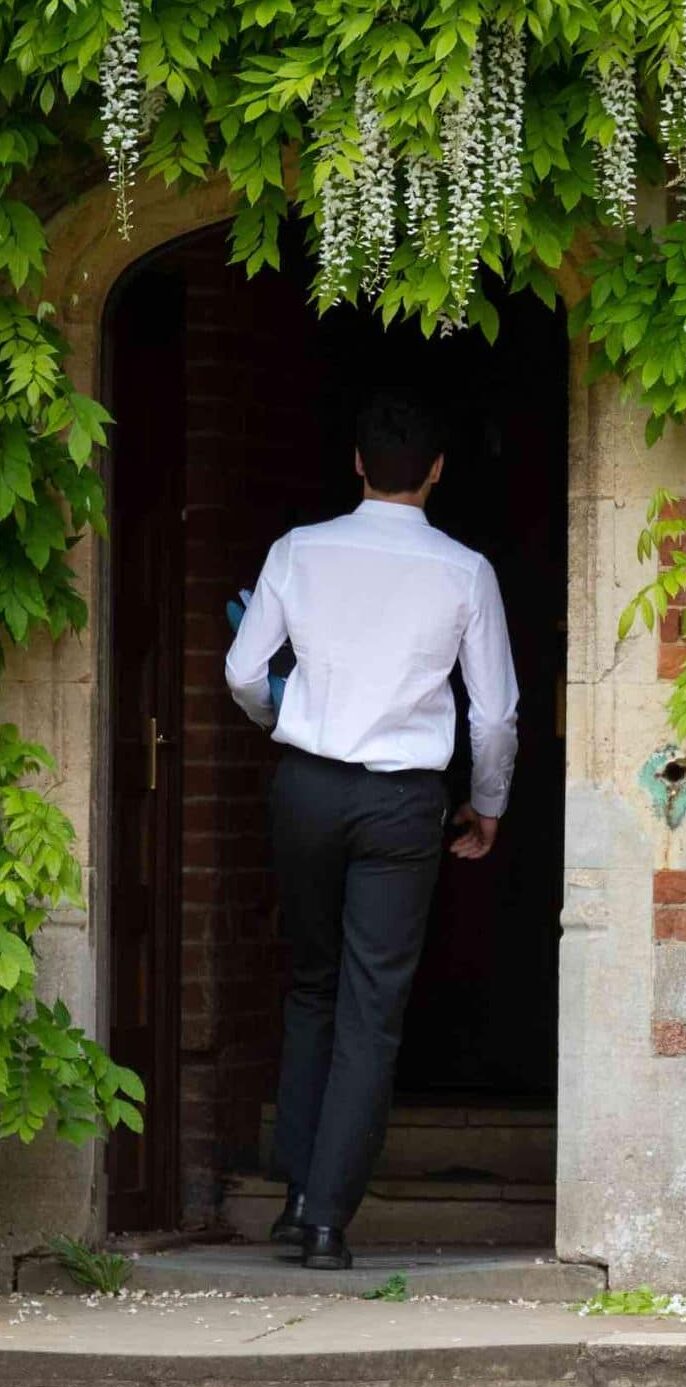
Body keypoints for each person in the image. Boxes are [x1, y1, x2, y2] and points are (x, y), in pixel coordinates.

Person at [225, 393, 519, 1270]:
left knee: (312, 986)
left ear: (356, 463)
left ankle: (293, 1197)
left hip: (306, 789)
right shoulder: (464, 571)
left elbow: (244, 669)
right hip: (401, 801)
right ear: (436, 472)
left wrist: (284, 713)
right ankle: (324, 1215)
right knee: (371, 1005)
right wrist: (489, 803)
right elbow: (493, 715)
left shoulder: (298, 550)